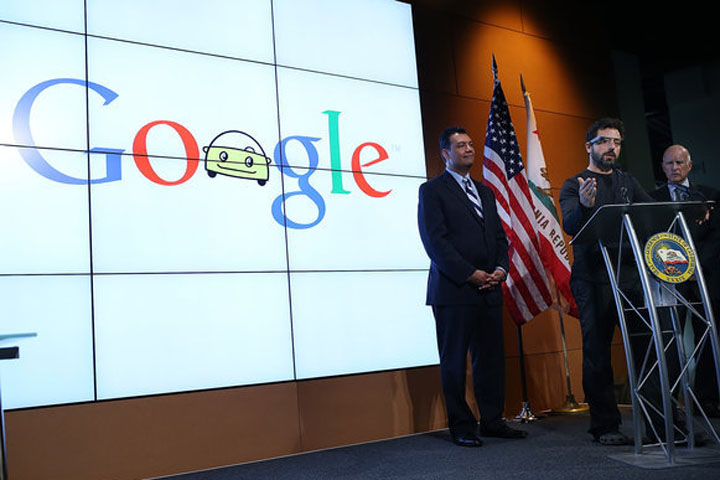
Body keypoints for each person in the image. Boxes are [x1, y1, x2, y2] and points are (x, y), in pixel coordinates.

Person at [417, 126, 526, 447]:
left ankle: (492, 421)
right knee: (454, 361)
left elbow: (499, 238)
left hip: (490, 288)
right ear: (445, 154)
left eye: (470, 144)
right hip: (454, 290)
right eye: (461, 145)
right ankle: (462, 426)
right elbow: (435, 241)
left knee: (491, 359)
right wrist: (469, 273)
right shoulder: (432, 190)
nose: (469, 149)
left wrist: (501, 268)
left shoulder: (485, 191)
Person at [559, 118, 655, 445]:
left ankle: (660, 423)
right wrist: (585, 206)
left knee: (647, 350)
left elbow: (652, 213)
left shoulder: (627, 182)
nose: (611, 147)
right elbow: (571, 225)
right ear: (589, 146)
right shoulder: (574, 184)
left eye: (616, 142)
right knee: (597, 352)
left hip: (631, 278)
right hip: (594, 279)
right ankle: (605, 426)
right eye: (603, 141)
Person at [650, 144, 720, 417]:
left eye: (679, 163)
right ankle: (670, 402)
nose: (674, 167)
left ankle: (706, 399)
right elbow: (654, 239)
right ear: (663, 167)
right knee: (671, 338)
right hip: (670, 280)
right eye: (669, 163)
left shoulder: (710, 196)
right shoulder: (652, 199)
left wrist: (695, 266)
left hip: (704, 277)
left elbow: (716, 237)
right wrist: (677, 268)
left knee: (708, 337)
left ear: (689, 166)